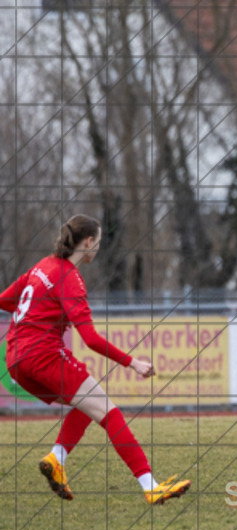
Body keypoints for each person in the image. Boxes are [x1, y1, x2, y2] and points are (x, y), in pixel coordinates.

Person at [0, 215, 191, 504]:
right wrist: (133, 363)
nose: (98, 248)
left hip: (15, 361)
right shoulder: (70, 278)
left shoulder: (43, 266)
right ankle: (151, 487)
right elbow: (90, 339)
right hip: (42, 356)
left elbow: (4, 300)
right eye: (98, 242)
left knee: (87, 403)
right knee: (109, 411)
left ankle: (56, 459)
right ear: (88, 242)